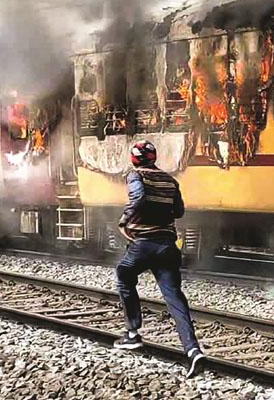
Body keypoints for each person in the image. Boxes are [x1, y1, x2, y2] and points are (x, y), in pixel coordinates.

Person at [113, 140, 205, 378]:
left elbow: (139, 198)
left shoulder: (135, 176)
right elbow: (179, 212)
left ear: (134, 159)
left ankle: (132, 334)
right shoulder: (170, 181)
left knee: (124, 274)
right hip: (167, 246)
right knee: (174, 297)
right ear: (154, 157)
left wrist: (125, 220)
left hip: (143, 245)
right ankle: (193, 350)